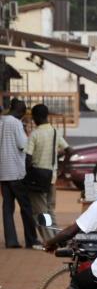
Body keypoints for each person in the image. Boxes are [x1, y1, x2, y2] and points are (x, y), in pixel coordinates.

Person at [1, 100, 38, 249]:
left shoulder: (1, 121)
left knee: (7, 208)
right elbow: (24, 145)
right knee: (26, 207)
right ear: (21, 111)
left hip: (3, 172)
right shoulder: (16, 123)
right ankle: (31, 240)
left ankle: (11, 241)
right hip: (17, 172)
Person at [25, 104, 70, 224]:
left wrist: (27, 172)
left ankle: (49, 238)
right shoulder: (55, 132)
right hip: (52, 176)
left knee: (41, 210)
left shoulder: (35, 134)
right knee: (50, 208)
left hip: (37, 177)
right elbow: (69, 150)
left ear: (36, 117)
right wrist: (63, 167)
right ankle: (56, 236)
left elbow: (28, 157)